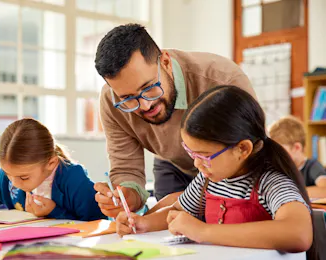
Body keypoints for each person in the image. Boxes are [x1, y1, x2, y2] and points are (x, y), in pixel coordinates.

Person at [116, 85, 315, 255]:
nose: (196, 164)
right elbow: (178, 211)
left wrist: (203, 231)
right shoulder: (208, 179)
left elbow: (299, 234)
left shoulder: (269, 182)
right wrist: (145, 223)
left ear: (242, 149)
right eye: (191, 153)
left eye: (204, 156)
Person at [94, 23, 256, 217]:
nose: (145, 105)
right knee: (169, 235)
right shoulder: (112, 102)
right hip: (172, 163)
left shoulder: (223, 80)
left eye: (149, 87)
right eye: (128, 98)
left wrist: (182, 203)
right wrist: (126, 197)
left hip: (231, 171)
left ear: (166, 62)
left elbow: (247, 159)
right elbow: (126, 168)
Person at [0, 118, 105, 221]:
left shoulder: (74, 180)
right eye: (8, 174)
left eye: (24, 178)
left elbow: (98, 223)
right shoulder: (5, 179)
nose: (15, 183)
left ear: (51, 163)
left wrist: (54, 212)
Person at [269, 116, 326, 198]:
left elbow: (324, 190)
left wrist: (291, 193)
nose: (275, 156)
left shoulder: (312, 166)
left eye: (279, 151)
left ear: (297, 148)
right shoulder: (281, 169)